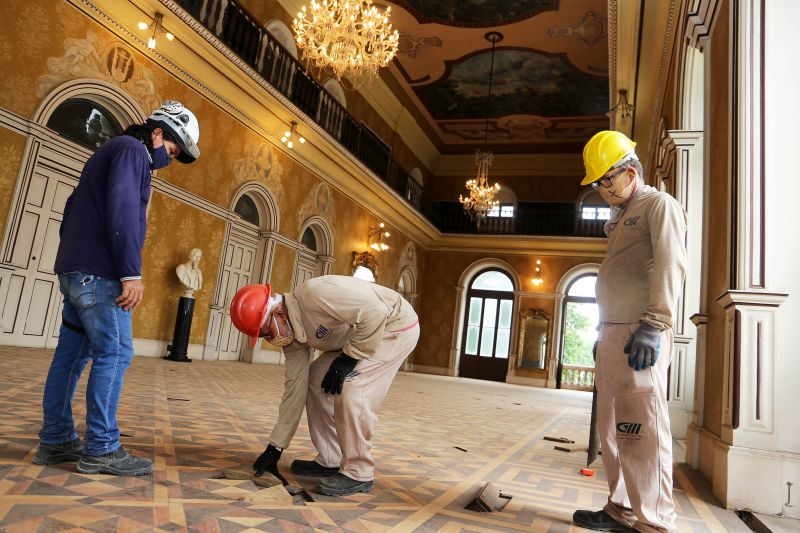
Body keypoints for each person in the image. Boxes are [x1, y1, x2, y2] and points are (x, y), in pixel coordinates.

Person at [33, 100, 201, 476]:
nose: (168, 159)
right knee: (116, 353)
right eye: (170, 150)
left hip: (77, 272)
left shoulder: (111, 153)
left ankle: (56, 439)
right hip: (102, 276)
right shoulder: (131, 150)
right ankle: (102, 447)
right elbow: (123, 209)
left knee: (71, 358)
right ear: (157, 133)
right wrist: (129, 272)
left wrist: (72, 263)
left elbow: (70, 208)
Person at [572, 131, 687, 533]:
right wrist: (603, 333)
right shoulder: (622, 216)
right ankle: (620, 508)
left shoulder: (659, 205)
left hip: (641, 334)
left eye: (606, 179)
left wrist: (655, 325)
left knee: (643, 427)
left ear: (629, 170)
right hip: (614, 333)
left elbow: (672, 265)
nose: (602, 189)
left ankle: (655, 522)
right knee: (612, 426)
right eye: (598, 183)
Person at [229, 275, 419, 496]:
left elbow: (375, 312)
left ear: (278, 313)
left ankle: (359, 472)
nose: (270, 340)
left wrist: (349, 358)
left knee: (352, 387)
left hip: (394, 326)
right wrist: (276, 447)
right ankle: (331, 458)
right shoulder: (292, 338)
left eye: (267, 333)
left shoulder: (316, 294)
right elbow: (294, 391)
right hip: (358, 336)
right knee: (315, 380)